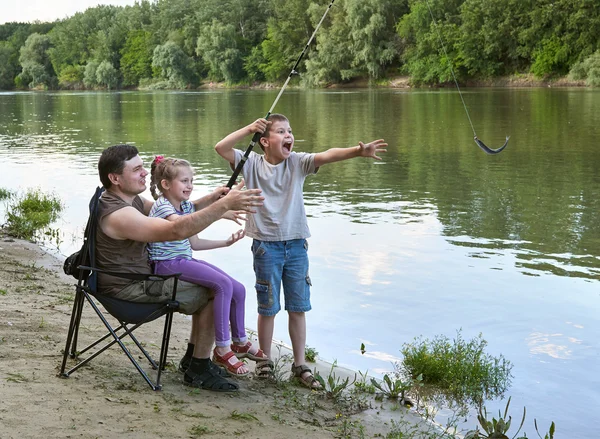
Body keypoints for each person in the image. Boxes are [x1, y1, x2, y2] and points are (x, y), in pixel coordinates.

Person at [214, 114, 386, 388]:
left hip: (296, 245)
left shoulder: (297, 162)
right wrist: (248, 128)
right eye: (281, 131)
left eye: (290, 131)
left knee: (298, 307)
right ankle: (265, 361)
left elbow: (327, 155)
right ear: (264, 141)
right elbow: (221, 147)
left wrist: (357, 151)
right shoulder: (250, 164)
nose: (289, 135)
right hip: (265, 246)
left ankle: (300, 364)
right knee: (268, 307)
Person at [95, 144, 264, 392]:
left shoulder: (130, 201)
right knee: (209, 290)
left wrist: (213, 201)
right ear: (115, 178)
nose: (145, 173)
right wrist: (224, 205)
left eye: (143, 167)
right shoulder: (120, 215)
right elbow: (176, 230)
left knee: (213, 285)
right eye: (137, 169)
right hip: (126, 291)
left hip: (135, 279)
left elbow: (175, 211)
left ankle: (195, 361)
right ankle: (199, 366)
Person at [147, 155, 267, 376]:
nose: (190, 186)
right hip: (165, 264)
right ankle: (222, 347)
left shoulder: (182, 205)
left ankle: (239, 341)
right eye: (184, 181)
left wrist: (226, 241)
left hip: (183, 261)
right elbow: (183, 224)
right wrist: (221, 207)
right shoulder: (163, 207)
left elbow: (195, 240)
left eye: (191, 181)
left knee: (238, 288)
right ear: (165, 184)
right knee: (222, 285)